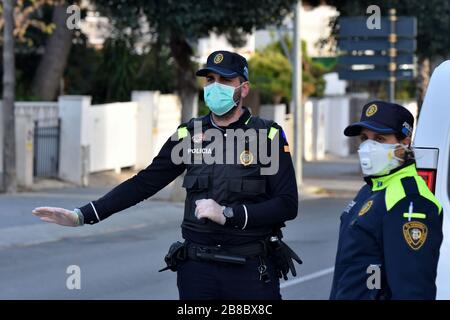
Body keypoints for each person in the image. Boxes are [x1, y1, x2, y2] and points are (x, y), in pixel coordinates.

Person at [32, 50, 301, 300]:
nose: (214, 86)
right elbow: (145, 183)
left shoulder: (268, 136)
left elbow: (287, 204)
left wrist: (229, 214)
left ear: (244, 88)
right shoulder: (188, 135)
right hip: (198, 270)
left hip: (250, 270)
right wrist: (83, 216)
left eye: (225, 80)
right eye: (210, 79)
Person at [329, 101, 443, 300]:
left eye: (380, 138)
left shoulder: (410, 199)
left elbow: (412, 290)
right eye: (364, 138)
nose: (368, 146)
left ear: (405, 141)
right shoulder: (370, 189)